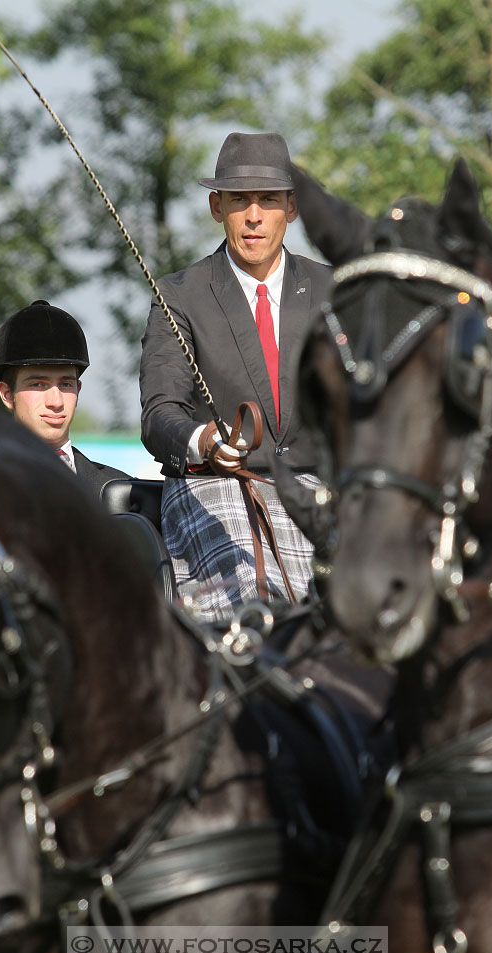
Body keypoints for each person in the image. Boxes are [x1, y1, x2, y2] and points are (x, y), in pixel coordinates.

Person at [140, 131, 333, 620]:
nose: (253, 217)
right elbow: (160, 413)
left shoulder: (334, 292)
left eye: (267, 201)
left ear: (291, 208)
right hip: (214, 491)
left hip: (318, 492)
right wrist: (202, 439)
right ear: (215, 206)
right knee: (253, 610)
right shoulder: (179, 295)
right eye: (238, 201)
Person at [0, 299, 131, 497]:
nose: (56, 402)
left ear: (78, 389)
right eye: (38, 384)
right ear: (7, 394)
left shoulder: (123, 491)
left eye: (66, 385)